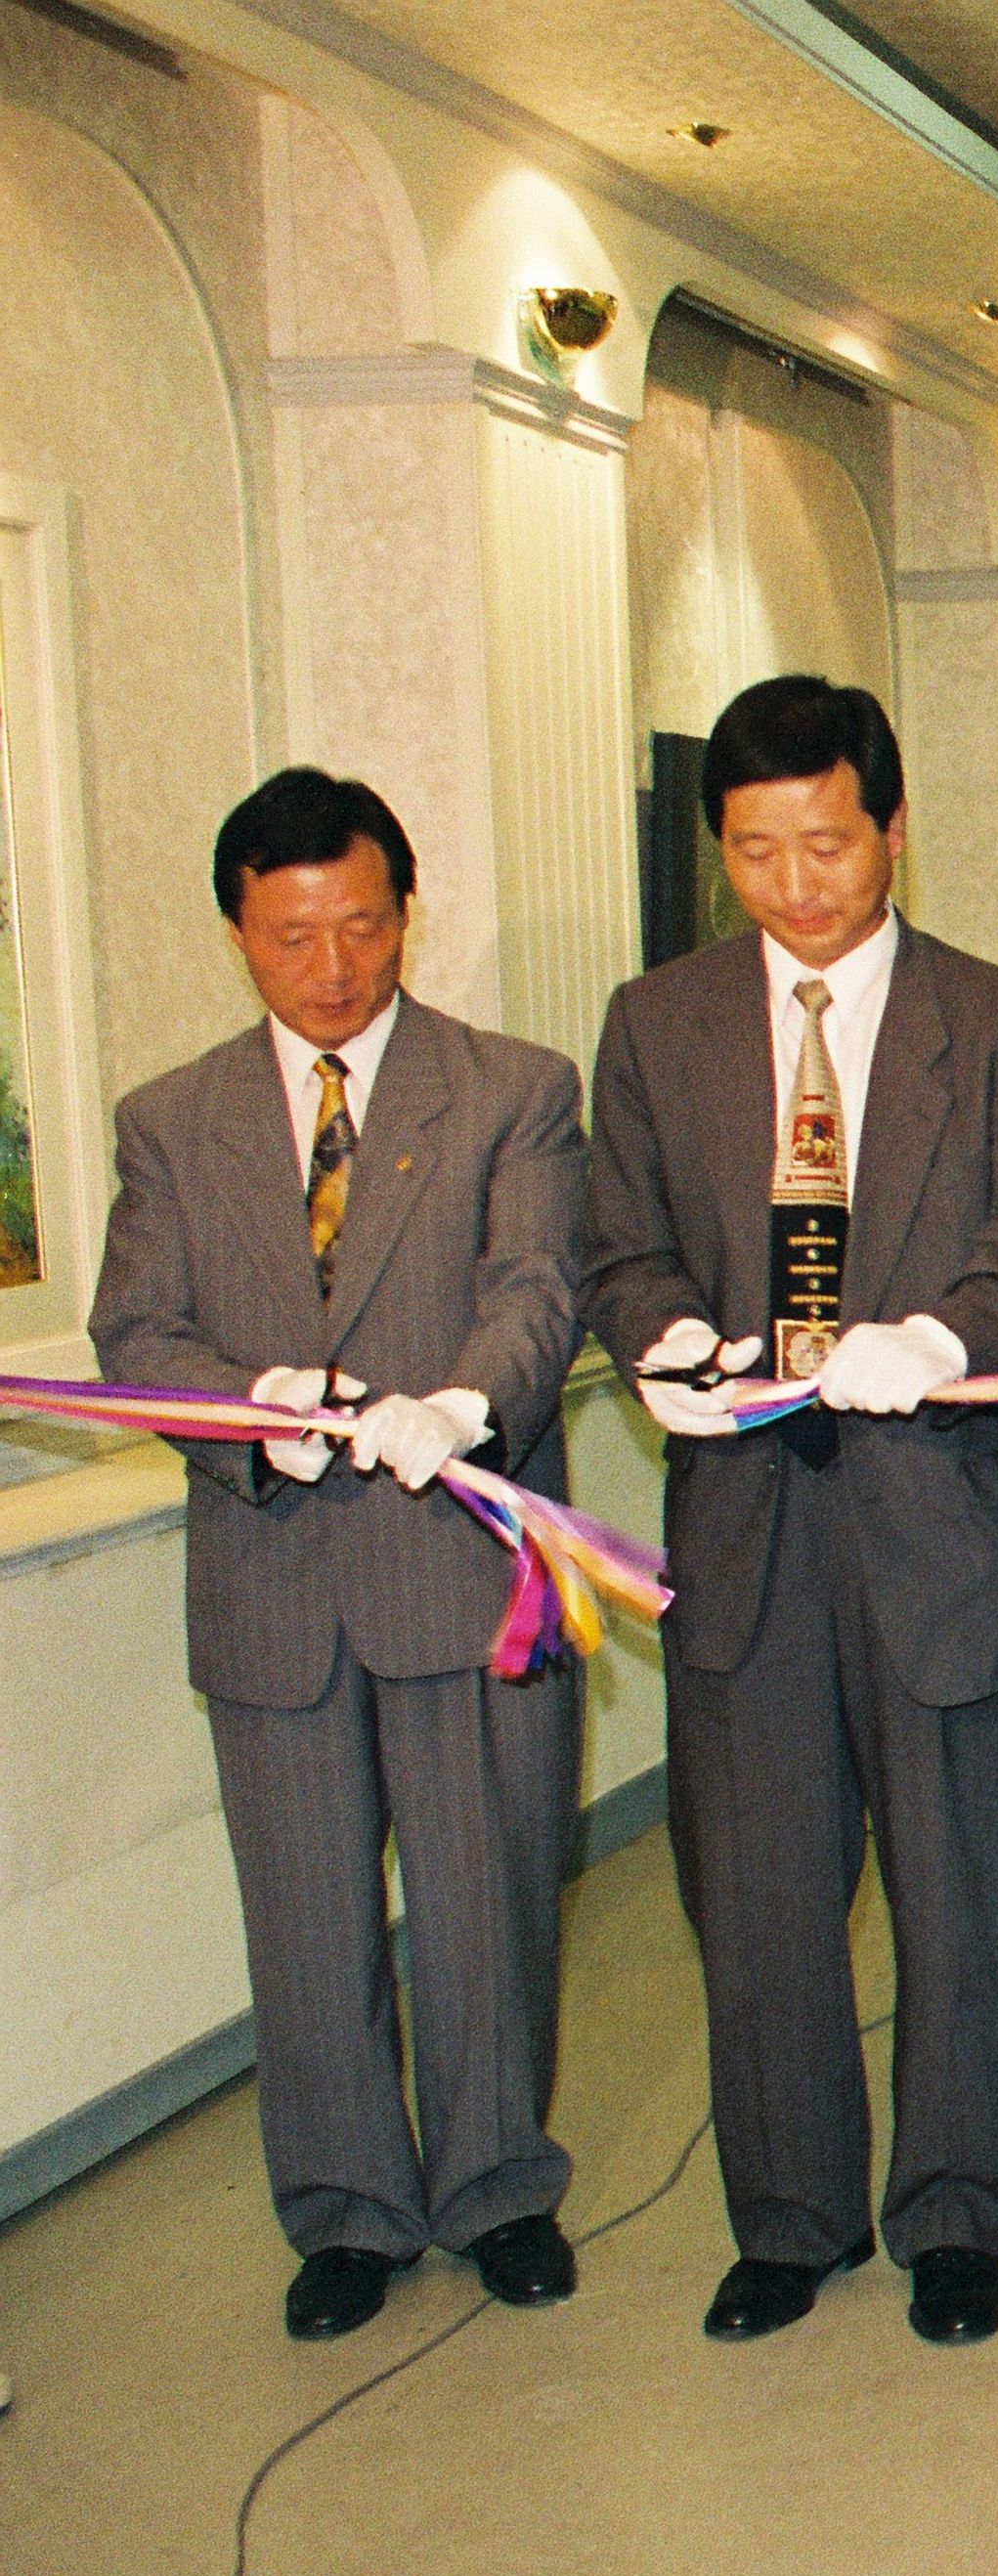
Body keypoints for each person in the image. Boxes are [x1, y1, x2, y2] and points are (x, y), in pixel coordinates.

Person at [579, 676, 998, 2349]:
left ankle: (953, 2215)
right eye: (757, 853)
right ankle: (791, 2217)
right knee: (757, 1901)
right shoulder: (657, 1025)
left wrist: (945, 1337)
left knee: (955, 1893)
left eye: (827, 845)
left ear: (891, 829)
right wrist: (659, 1336)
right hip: (746, 1524)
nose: (796, 886)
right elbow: (621, 1242)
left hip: (938, 1520)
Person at [91, 769, 586, 2342]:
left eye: (362, 926)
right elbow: (136, 1331)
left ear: (404, 911)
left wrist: (465, 1404)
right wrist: (246, 1416)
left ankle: (497, 2188)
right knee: (306, 1922)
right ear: (237, 931)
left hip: (458, 1565)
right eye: (291, 935)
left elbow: (536, 1290)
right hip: (276, 1576)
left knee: (485, 1901)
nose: (332, 967)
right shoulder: (171, 1122)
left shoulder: (508, 1089)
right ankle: (346, 2212)